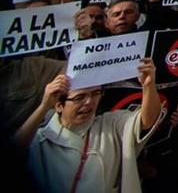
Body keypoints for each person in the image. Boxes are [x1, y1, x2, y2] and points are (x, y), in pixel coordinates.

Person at [19, 59, 163, 193]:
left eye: (95, 94)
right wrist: (44, 106)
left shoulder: (110, 124)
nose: (89, 102)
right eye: (79, 97)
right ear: (58, 106)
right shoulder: (40, 140)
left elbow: (147, 120)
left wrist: (148, 85)